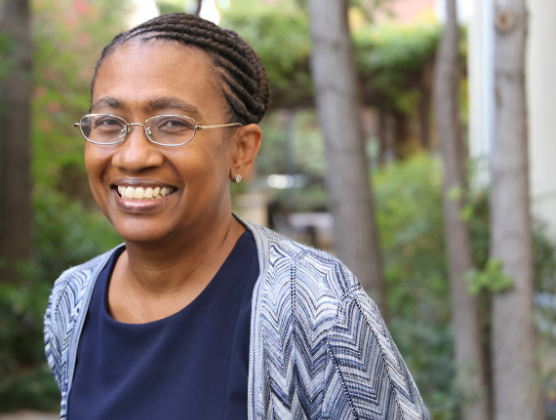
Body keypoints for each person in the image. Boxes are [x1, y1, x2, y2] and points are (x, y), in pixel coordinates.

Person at [44, 13, 429, 420]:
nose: (133, 155)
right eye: (109, 122)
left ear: (241, 150)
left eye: (173, 124)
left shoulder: (318, 305)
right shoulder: (73, 299)